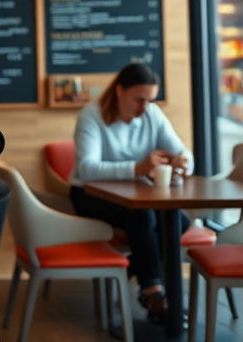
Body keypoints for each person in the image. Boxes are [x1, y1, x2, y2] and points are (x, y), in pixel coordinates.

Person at [68, 63, 192, 325]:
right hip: (88, 194)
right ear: (119, 90)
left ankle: (135, 272)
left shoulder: (152, 114)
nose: (144, 108)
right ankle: (154, 293)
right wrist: (139, 168)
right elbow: (86, 169)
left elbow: (185, 154)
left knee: (179, 221)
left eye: (150, 100)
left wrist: (182, 162)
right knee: (143, 217)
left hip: (137, 196)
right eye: (139, 99)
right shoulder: (92, 114)